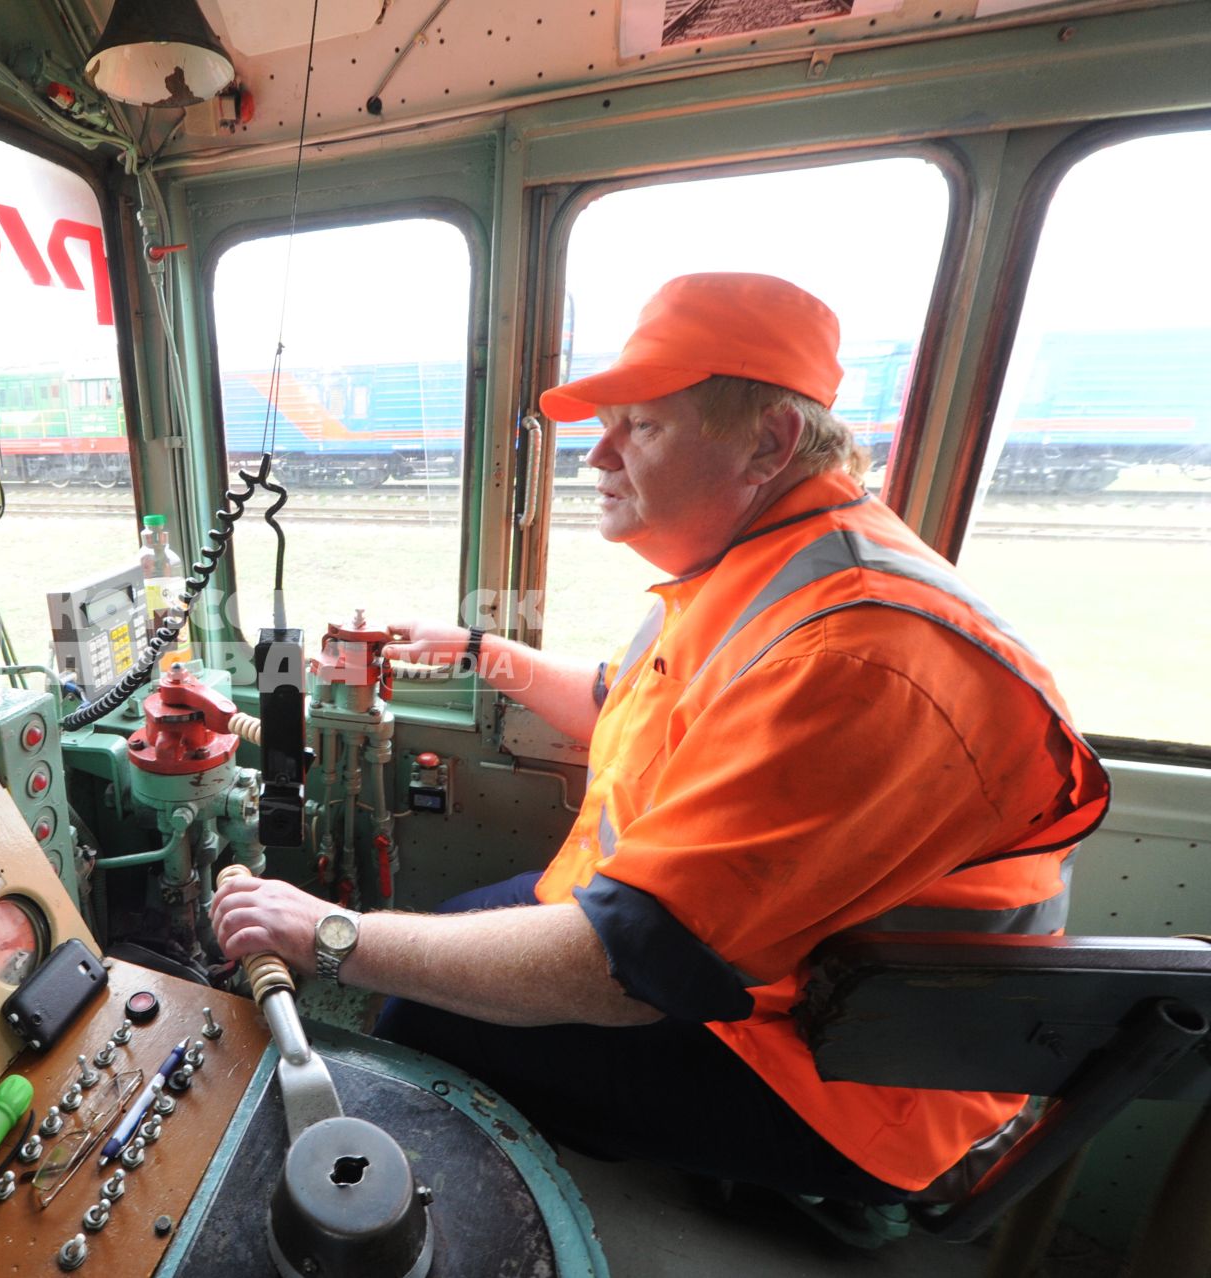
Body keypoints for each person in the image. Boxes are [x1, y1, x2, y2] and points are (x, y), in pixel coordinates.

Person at [209, 273, 1109, 1211]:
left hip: (843, 1070)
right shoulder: (761, 569)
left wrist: (327, 933)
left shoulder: (858, 656)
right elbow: (632, 710)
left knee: (421, 1014)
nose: (596, 453)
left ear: (768, 442)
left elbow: (628, 966)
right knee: (455, 928)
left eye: (640, 425)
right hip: (750, 974)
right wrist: (488, 653)